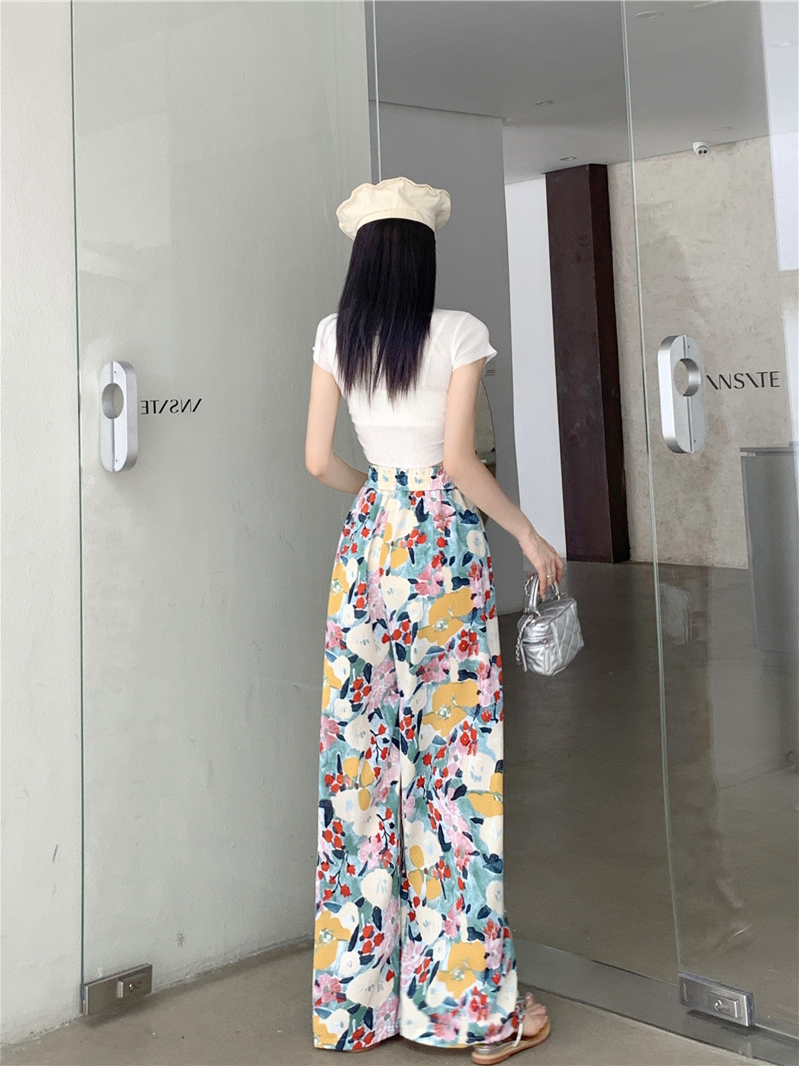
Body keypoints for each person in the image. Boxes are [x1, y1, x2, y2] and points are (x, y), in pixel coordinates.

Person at [306, 177, 563, 1064]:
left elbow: (318, 461)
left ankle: (356, 1009)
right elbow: (458, 462)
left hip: (365, 554)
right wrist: (526, 532)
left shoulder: (334, 337)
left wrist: (379, 494)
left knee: (361, 772)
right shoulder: (457, 333)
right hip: (440, 557)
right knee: (455, 777)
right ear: (422, 258)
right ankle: (468, 1012)